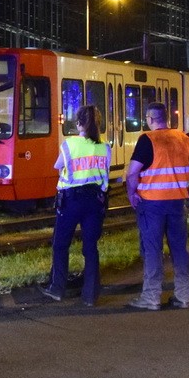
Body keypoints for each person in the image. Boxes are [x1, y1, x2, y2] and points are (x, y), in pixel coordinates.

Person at [125, 102, 189, 310]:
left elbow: (133, 172)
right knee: (180, 249)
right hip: (177, 203)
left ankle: (151, 297)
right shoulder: (185, 138)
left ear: (150, 119)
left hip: (151, 203)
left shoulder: (148, 139)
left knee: (152, 249)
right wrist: (186, 186)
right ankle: (183, 295)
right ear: (167, 118)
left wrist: (132, 193)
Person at [38, 105, 111, 306]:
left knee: (61, 244)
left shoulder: (70, 145)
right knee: (90, 248)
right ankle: (90, 296)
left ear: (79, 124)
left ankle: (57, 288)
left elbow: (57, 165)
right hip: (95, 201)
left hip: (71, 201)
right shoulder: (104, 146)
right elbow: (105, 172)